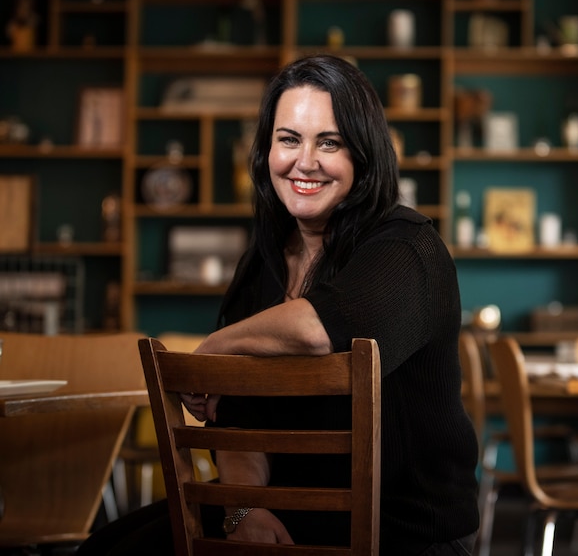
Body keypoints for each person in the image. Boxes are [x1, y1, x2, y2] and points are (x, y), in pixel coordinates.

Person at [77, 54, 479, 555]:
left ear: (364, 154)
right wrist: (245, 510)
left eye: (328, 142)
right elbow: (240, 421)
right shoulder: (262, 261)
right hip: (286, 519)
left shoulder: (406, 247)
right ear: (267, 150)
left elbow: (321, 329)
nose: (303, 161)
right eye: (288, 139)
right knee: (106, 547)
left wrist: (215, 350)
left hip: (402, 535)